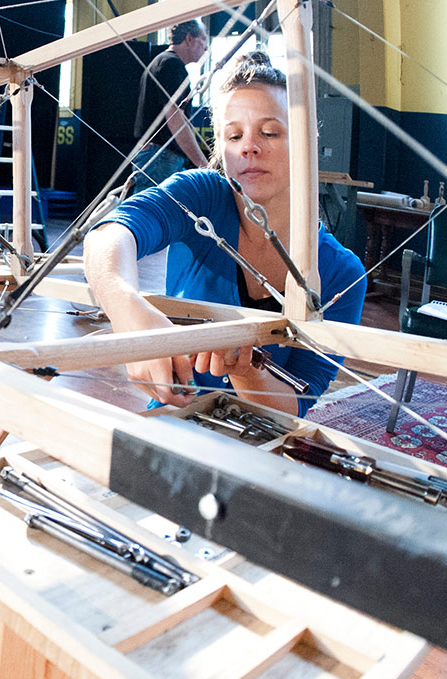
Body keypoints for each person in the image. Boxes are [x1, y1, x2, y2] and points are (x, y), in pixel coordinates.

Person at [87, 51, 367, 417]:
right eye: (234, 136)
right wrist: (128, 310)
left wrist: (242, 367)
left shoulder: (342, 273)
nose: (249, 146)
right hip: (172, 422)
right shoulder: (201, 195)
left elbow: (295, 405)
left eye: (270, 132)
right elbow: (109, 234)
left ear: (306, 143)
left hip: (261, 438)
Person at [130, 20, 209, 192]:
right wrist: (204, 165)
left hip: (158, 156)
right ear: (189, 38)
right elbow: (176, 120)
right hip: (160, 157)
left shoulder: (163, 62)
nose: (206, 47)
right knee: (152, 215)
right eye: (203, 40)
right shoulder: (172, 65)